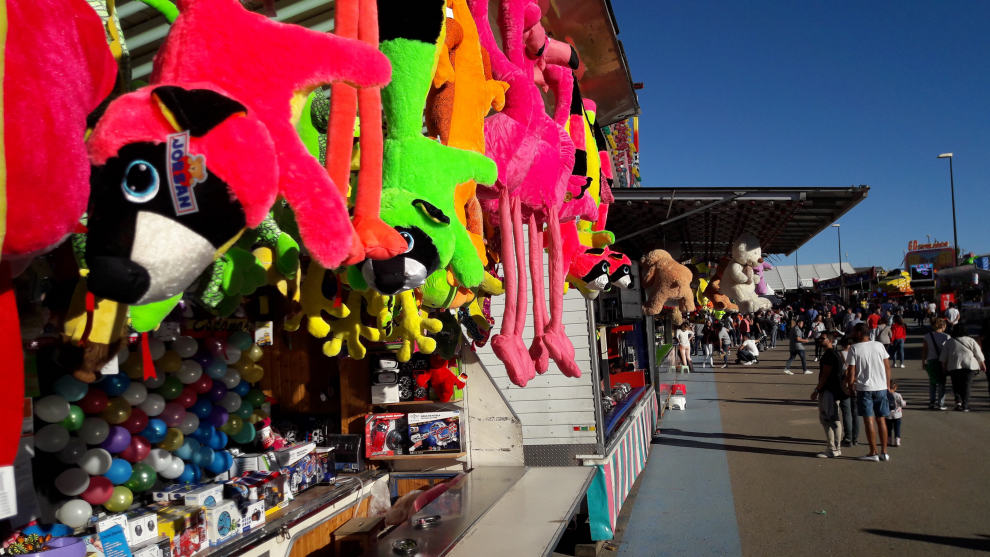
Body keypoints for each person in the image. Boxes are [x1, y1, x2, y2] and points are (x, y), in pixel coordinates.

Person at [845, 322, 892, 462]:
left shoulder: (854, 348)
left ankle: (873, 452)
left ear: (859, 333)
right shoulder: (879, 345)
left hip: (864, 388)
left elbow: (851, 371)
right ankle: (884, 452)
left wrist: (850, 386)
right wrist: (888, 386)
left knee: (868, 420)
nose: (852, 334)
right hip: (881, 387)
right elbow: (887, 368)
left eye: (853, 331)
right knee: (881, 419)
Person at [811, 333, 847, 458]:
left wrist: (816, 390)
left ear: (830, 340)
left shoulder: (830, 355)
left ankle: (833, 448)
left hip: (829, 391)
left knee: (828, 419)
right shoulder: (835, 354)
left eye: (823, 338)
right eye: (819, 338)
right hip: (833, 390)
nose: (820, 340)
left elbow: (825, 375)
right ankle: (834, 447)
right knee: (832, 418)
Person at [939, 323, 986, 411]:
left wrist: (944, 366)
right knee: (966, 385)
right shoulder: (970, 340)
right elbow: (978, 353)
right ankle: (965, 405)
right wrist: (982, 364)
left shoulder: (950, 341)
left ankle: (958, 401)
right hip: (969, 365)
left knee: (956, 384)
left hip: (954, 365)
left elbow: (944, 355)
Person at [921, 318, 949, 410]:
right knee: (941, 383)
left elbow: (925, 350)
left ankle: (932, 402)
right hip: (942, 361)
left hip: (931, 361)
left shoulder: (928, 336)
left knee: (932, 382)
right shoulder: (946, 337)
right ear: (942, 326)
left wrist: (923, 361)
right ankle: (941, 403)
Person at [836, 337, 860, 447]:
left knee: (846, 411)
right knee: (856, 412)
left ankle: (848, 437)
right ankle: (855, 437)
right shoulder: (857, 354)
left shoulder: (839, 355)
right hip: (856, 385)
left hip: (844, 385)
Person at [885, 380, 905, 447]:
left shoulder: (886, 395)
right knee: (897, 428)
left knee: (888, 428)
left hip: (888, 415)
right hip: (897, 415)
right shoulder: (898, 395)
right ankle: (897, 440)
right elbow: (902, 403)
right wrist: (904, 403)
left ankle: (889, 440)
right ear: (895, 387)